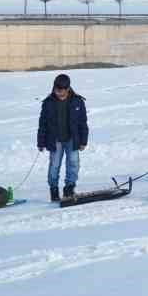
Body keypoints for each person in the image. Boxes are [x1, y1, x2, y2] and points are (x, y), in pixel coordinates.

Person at [37, 73, 89, 202]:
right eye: (56, 90)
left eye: (61, 91)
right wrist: (41, 142)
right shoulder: (48, 103)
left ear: (68, 89)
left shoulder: (77, 101)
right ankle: (54, 190)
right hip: (55, 141)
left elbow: (83, 122)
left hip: (72, 139)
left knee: (73, 164)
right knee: (54, 166)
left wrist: (83, 141)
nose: (59, 93)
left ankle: (69, 188)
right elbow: (42, 124)